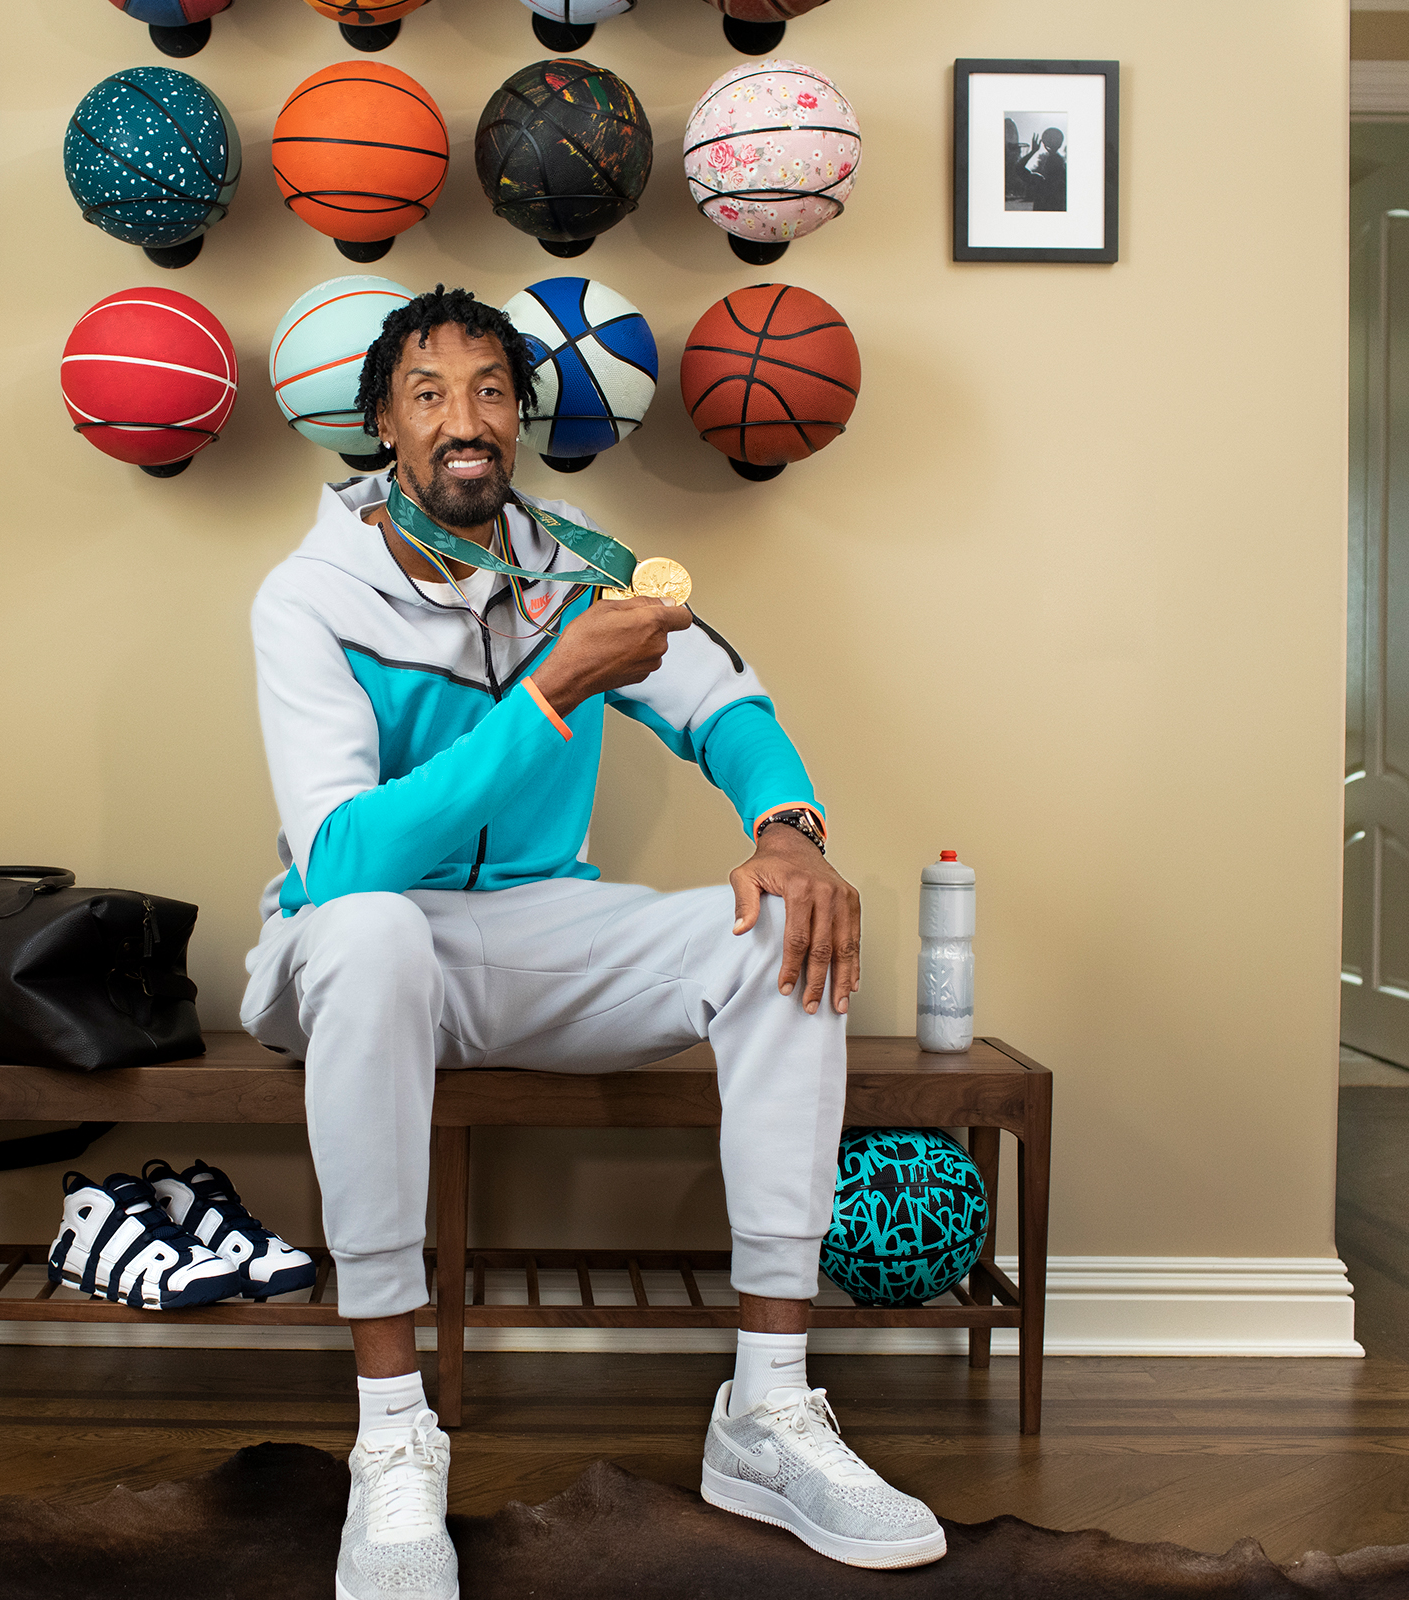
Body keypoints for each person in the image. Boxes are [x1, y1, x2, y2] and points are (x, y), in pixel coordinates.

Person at [240, 287, 947, 1600]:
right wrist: (555, 685)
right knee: (376, 928)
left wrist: (788, 827)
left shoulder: (581, 568)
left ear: (520, 418)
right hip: (344, 951)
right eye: (430, 393)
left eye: (490, 391)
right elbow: (344, 862)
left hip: (532, 930)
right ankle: (392, 1433)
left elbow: (725, 701)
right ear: (384, 423)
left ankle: (770, 1409)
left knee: (779, 927)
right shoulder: (307, 596)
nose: (464, 419)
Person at [1025, 124, 1067, 211]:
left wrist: (1033, 151)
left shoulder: (1039, 182)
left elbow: (1018, 168)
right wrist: (1054, 152)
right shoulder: (1064, 187)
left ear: (1046, 167)